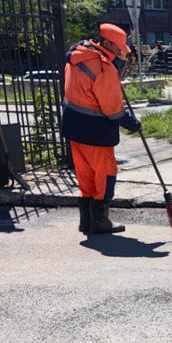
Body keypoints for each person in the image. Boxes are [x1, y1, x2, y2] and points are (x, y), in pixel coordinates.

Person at [60, 22, 140, 237]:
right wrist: (132, 124)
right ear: (106, 43)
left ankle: (86, 222)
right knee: (104, 174)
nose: (119, 53)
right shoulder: (103, 67)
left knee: (85, 173)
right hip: (95, 130)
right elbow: (112, 109)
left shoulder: (78, 55)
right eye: (116, 48)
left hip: (73, 124)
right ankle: (100, 221)